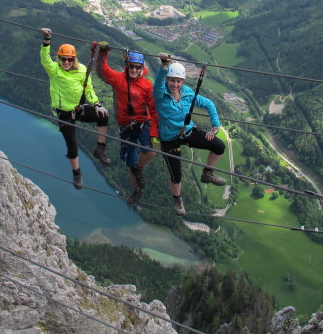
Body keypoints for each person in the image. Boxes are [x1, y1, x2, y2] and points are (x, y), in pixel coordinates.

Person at [152, 53, 226, 216]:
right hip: (169, 138)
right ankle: (178, 199)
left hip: (188, 132)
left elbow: (208, 103)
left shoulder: (187, 93)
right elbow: (157, 83)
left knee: (218, 146)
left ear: (183, 82)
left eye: (178, 81)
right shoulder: (160, 94)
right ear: (167, 79)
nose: (175, 84)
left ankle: (207, 172)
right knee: (176, 174)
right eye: (172, 80)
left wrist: (215, 125)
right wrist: (164, 65)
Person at [40, 28, 111, 190]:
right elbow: (45, 60)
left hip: (79, 108)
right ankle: (76, 173)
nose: (66, 62)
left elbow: (89, 89)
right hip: (64, 113)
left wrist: (96, 104)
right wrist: (46, 41)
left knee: (104, 115)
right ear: (59, 59)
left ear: (74, 59)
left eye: (69, 59)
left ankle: (100, 149)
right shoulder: (54, 70)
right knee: (72, 147)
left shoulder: (82, 71)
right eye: (63, 59)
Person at [96, 42, 159, 205]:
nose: (134, 70)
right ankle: (137, 189)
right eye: (131, 66)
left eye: (137, 67)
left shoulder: (146, 85)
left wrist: (154, 130)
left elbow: (153, 109)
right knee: (129, 162)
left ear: (141, 68)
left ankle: (139, 169)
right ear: (127, 65)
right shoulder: (118, 79)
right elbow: (102, 72)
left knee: (151, 152)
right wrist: (102, 53)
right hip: (126, 126)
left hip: (143, 122)